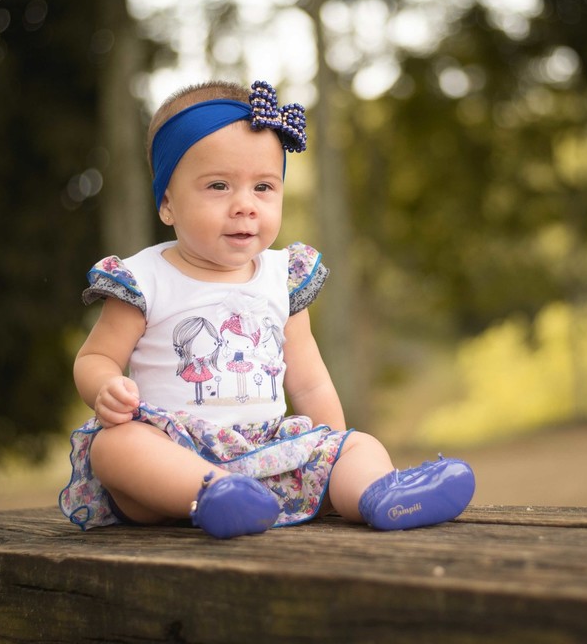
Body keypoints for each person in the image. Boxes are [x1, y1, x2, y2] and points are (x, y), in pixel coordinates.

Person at [59, 79, 475, 538]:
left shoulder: (283, 277)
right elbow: (95, 357)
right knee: (114, 447)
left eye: (263, 187)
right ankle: (217, 494)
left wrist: (330, 450)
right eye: (218, 186)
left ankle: (380, 495)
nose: (245, 206)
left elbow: (310, 379)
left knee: (359, 445)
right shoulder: (144, 279)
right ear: (168, 204)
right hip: (173, 453)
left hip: (269, 454)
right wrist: (105, 388)